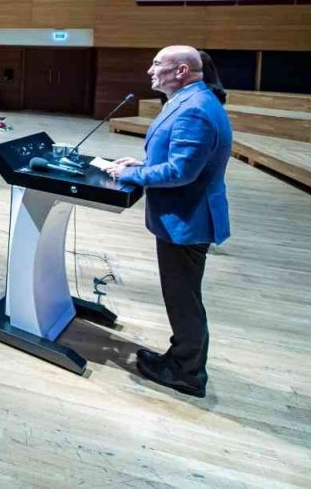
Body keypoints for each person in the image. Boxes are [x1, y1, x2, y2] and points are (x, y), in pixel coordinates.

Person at [105, 45, 232, 398]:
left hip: (188, 218)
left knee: (183, 298)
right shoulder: (191, 101)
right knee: (181, 296)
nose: (149, 70)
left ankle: (187, 372)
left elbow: (180, 171)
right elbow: (174, 156)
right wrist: (142, 162)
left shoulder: (195, 110)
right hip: (184, 215)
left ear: (181, 71)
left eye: (157, 64)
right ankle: (181, 359)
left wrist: (136, 175)